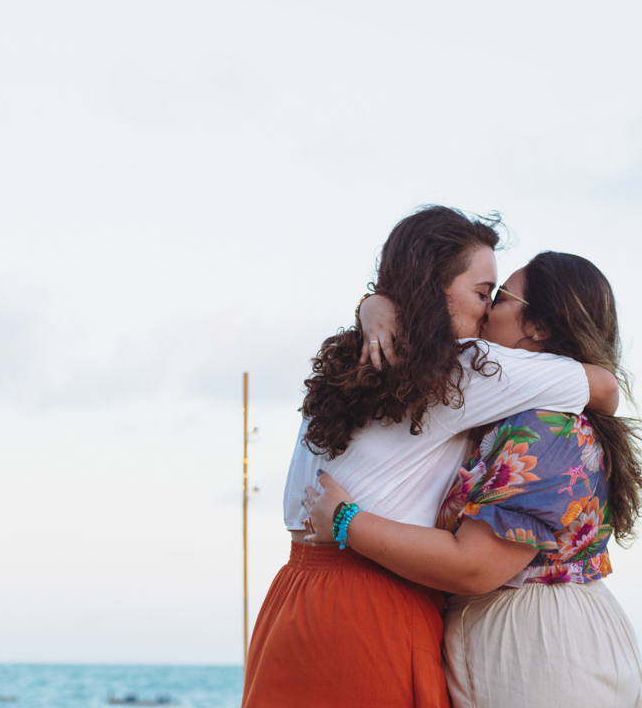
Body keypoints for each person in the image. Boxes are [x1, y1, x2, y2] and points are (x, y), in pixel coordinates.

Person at [241, 208, 619, 708]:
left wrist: (374, 304)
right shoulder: (465, 369)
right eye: (484, 294)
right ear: (436, 288)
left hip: (295, 597)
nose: (487, 312)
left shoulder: (351, 355)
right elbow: (605, 388)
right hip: (371, 602)